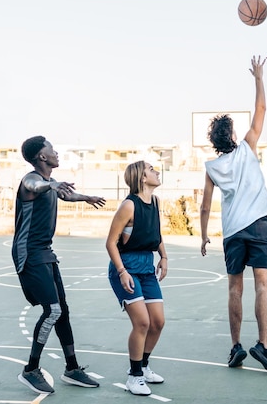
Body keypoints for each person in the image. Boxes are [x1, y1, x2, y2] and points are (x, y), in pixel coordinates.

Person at [200, 56, 267, 375]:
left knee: (235, 288)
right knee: (263, 286)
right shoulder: (247, 148)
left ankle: (235, 347)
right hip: (260, 224)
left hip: (233, 231)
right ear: (231, 134)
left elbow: (205, 205)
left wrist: (204, 234)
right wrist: (259, 77)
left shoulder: (211, 167)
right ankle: (262, 345)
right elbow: (261, 112)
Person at [12, 135, 105, 395]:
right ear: (42, 156)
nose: (56, 153)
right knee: (52, 310)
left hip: (45, 253)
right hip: (29, 253)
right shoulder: (31, 181)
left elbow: (66, 194)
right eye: (52, 150)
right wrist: (51, 187)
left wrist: (86, 197)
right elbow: (37, 185)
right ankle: (31, 369)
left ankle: (72, 368)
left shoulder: (51, 183)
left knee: (62, 309)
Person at [106, 161, 168, 396]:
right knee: (142, 322)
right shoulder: (128, 206)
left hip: (146, 267)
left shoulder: (155, 202)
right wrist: (122, 272)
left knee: (158, 322)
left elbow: (156, 232)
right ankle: (134, 377)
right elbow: (111, 242)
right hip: (126, 268)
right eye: (152, 169)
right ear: (142, 178)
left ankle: (143, 366)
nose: (156, 171)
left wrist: (164, 257)